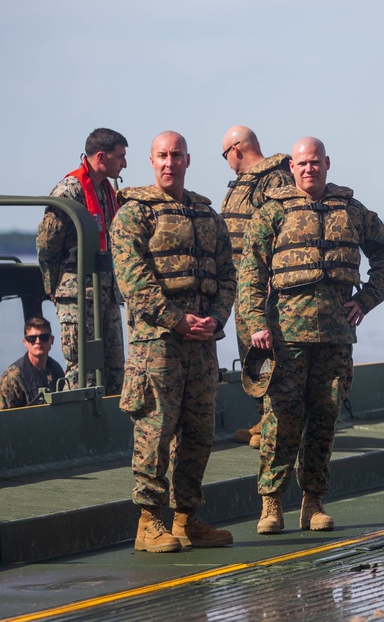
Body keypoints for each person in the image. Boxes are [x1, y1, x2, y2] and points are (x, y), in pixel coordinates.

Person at [241, 136, 384, 535]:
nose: (309, 168)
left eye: (315, 162)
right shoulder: (272, 212)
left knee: (325, 420)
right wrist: (256, 321)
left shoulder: (352, 211)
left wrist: (366, 300)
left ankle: (313, 502)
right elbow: (251, 272)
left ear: (327, 163)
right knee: (281, 422)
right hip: (286, 339)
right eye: (301, 163)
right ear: (291, 167)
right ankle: (271, 504)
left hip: (335, 336)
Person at [111, 131, 237, 553]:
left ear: (187, 160)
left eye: (177, 156)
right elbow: (134, 282)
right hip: (157, 345)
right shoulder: (134, 214)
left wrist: (215, 319)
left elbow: (227, 275)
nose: (170, 163)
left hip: (201, 343)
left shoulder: (206, 214)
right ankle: (149, 522)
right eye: (162, 156)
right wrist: (177, 320)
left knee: (199, 432)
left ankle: (187, 519)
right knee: (155, 431)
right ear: (151, 161)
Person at [219, 125, 295, 449]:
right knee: (251, 355)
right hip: (242, 283)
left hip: (263, 284)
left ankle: (275, 426)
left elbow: (282, 232)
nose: (226, 161)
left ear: (235, 150)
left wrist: (267, 284)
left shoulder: (275, 179)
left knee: (269, 355)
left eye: (225, 155)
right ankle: (262, 420)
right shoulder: (242, 183)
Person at [37, 128, 127, 394]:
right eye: (120, 157)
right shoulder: (69, 190)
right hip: (78, 294)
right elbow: (47, 243)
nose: (124, 163)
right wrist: (51, 286)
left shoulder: (107, 190)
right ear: (101, 157)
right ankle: (79, 432)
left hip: (106, 293)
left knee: (114, 371)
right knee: (81, 371)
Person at [0, 316, 65, 411]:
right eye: (32, 338)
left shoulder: (55, 369)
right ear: (25, 342)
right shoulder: (12, 377)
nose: (38, 342)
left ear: (52, 340)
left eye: (44, 337)